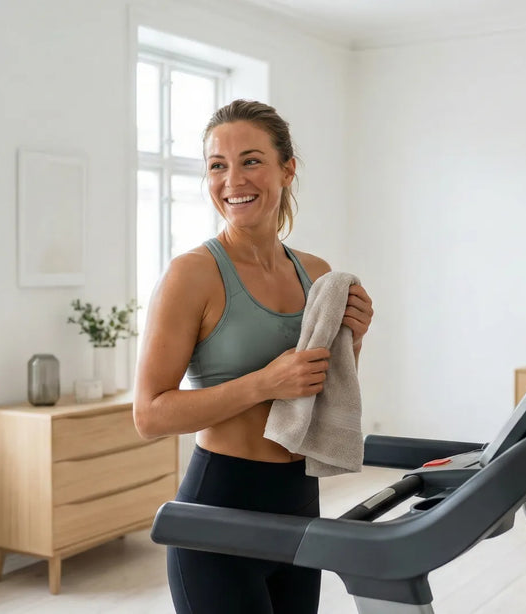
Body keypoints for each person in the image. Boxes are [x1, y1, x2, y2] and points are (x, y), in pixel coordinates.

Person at [133, 99, 374, 614]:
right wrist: (264, 383)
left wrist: (354, 340)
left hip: (297, 499)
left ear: (287, 169)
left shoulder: (318, 273)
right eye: (217, 165)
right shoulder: (191, 274)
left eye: (251, 160)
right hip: (219, 504)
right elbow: (149, 415)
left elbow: (323, 389)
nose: (232, 179)